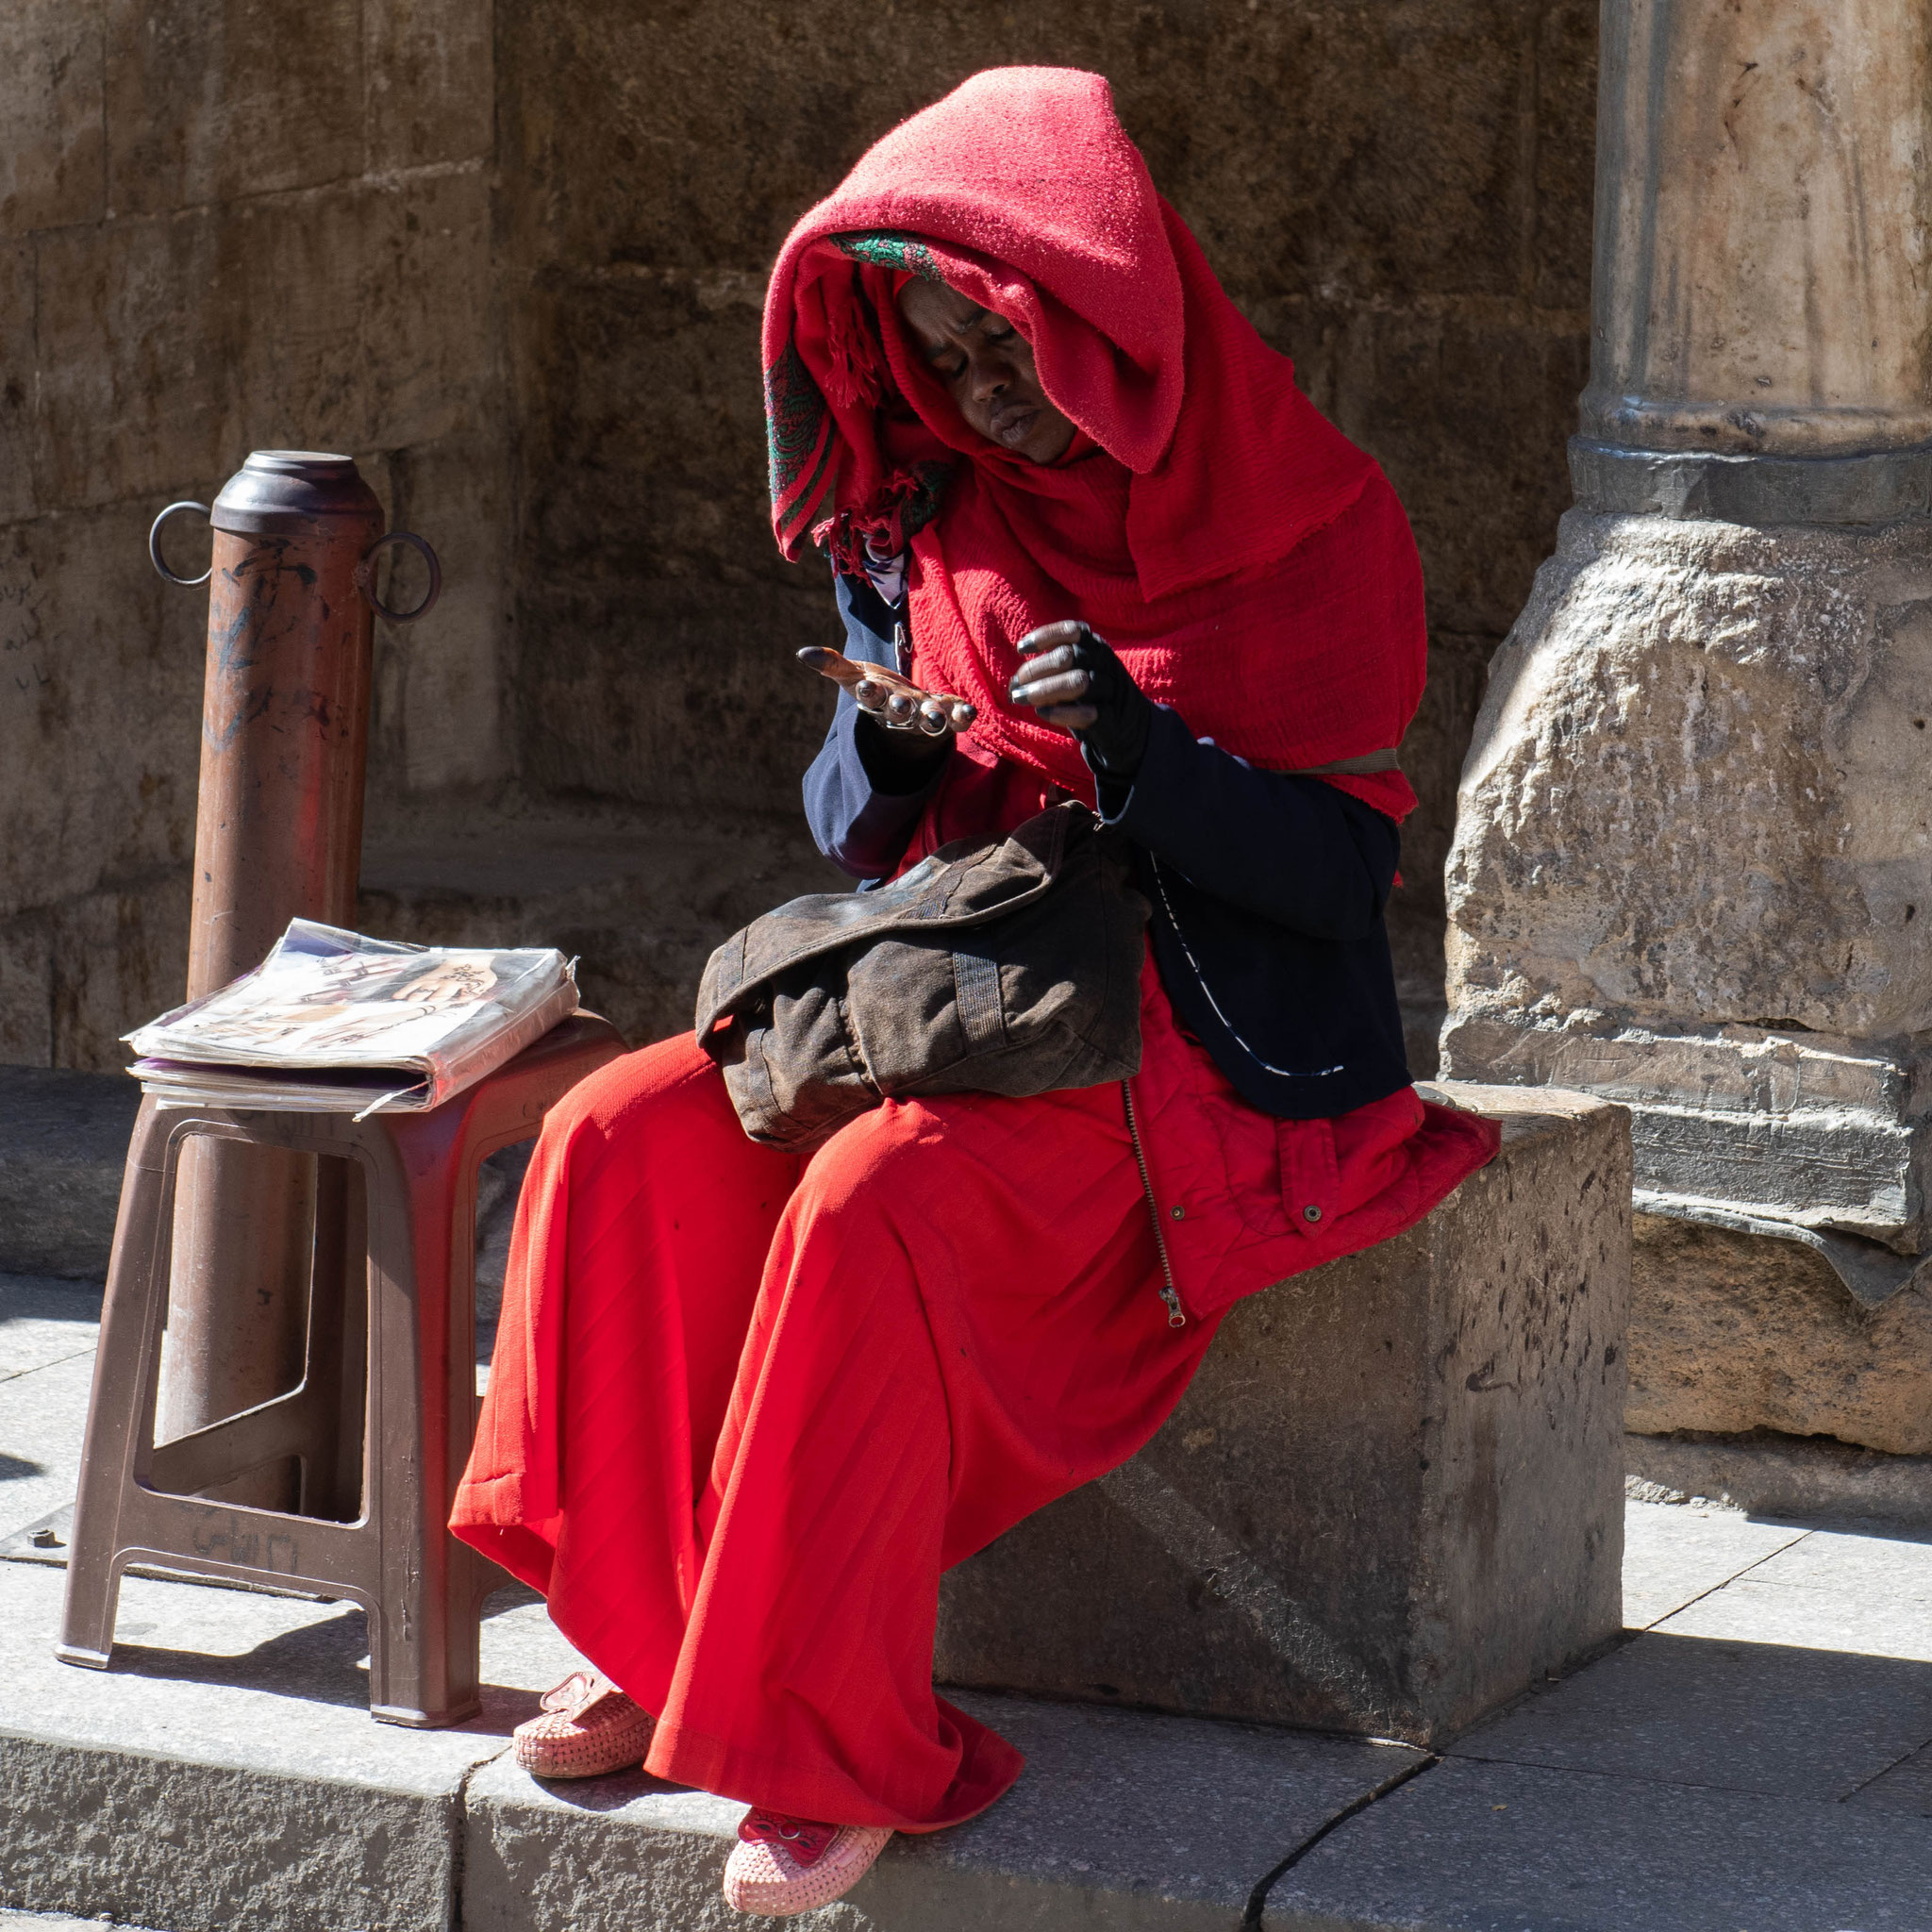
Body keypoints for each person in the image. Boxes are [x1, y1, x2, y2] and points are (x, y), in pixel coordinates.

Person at [451, 66, 1499, 1920]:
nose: (978, 388)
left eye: (1005, 341)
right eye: (940, 350)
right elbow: (858, 834)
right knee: (619, 1129)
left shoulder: (1315, 524)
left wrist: (1146, 765)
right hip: (965, 966)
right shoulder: (926, 503)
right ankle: (657, 1624)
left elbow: (1339, 874)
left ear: (1113, 322)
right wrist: (910, 758)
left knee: (876, 1209)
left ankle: (812, 1731)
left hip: (1173, 1017)